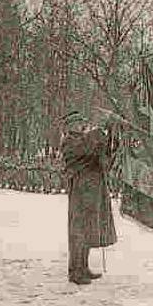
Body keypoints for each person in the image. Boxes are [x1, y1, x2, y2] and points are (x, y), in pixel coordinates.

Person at [61, 111, 118, 284]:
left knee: (88, 230)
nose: (81, 125)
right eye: (77, 122)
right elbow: (85, 149)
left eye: (81, 121)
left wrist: (110, 135)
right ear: (70, 126)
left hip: (91, 191)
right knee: (78, 231)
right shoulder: (70, 141)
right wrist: (100, 131)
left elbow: (100, 153)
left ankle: (83, 268)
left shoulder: (85, 139)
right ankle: (75, 271)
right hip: (80, 191)